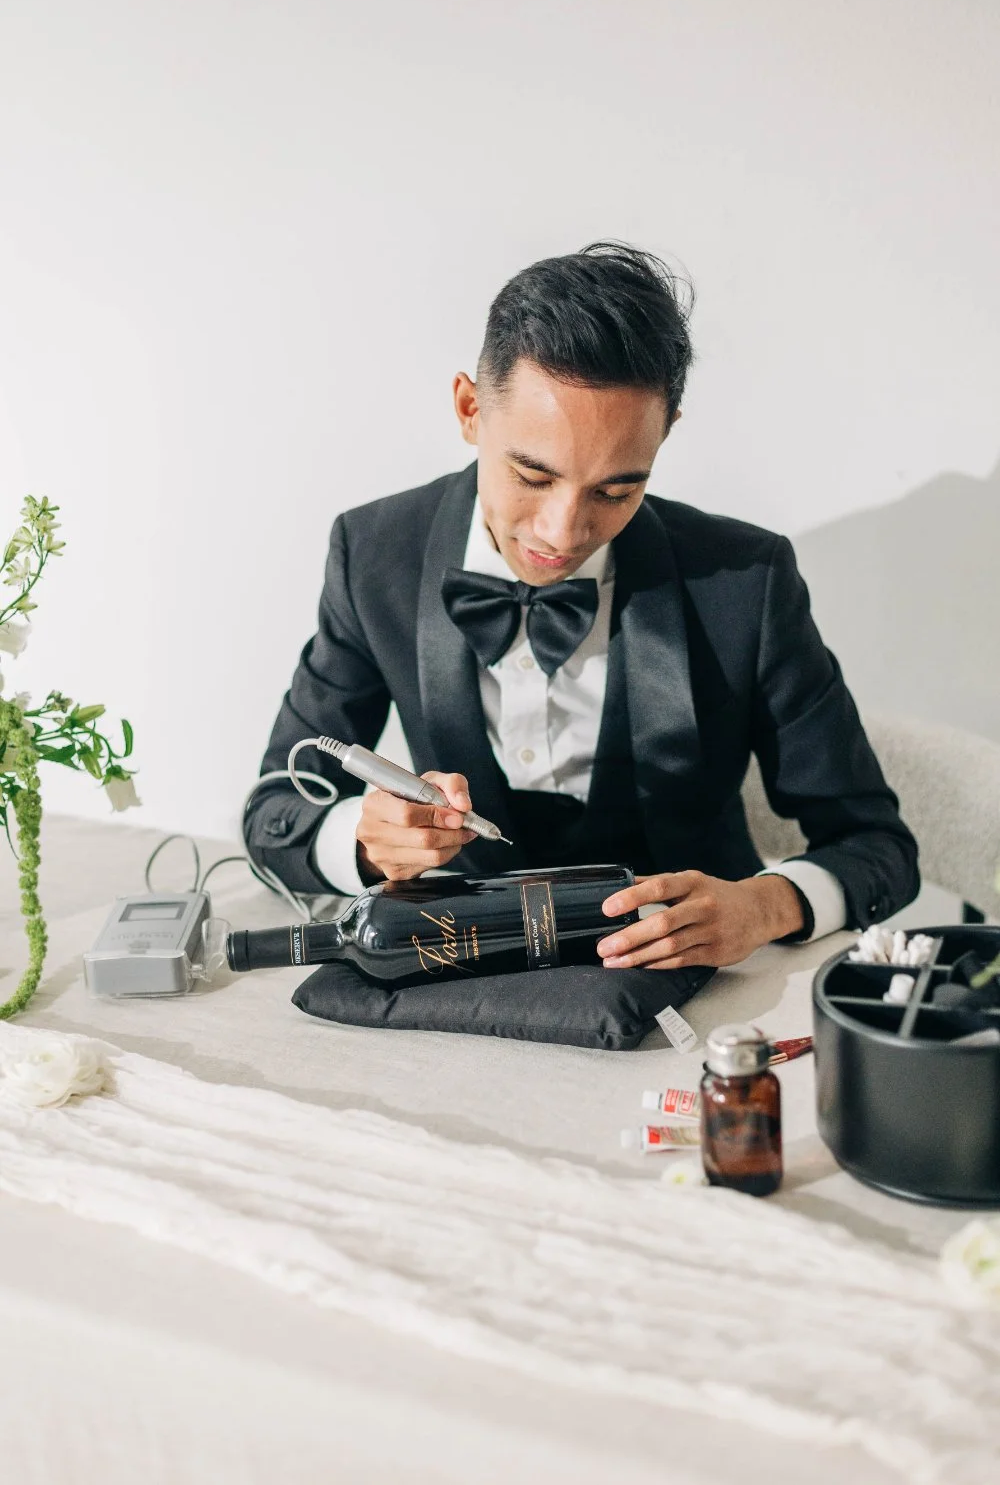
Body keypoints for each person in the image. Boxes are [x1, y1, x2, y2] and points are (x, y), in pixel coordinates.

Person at [245, 241, 918, 972]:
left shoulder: (746, 581)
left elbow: (878, 847)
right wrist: (365, 840)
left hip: (694, 984)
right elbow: (274, 814)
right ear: (471, 409)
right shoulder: (373, 552)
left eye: (616, 491)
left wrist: (764, 903)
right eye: (533, 475)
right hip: (464, 972)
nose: (562, 533)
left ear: (665, 436)